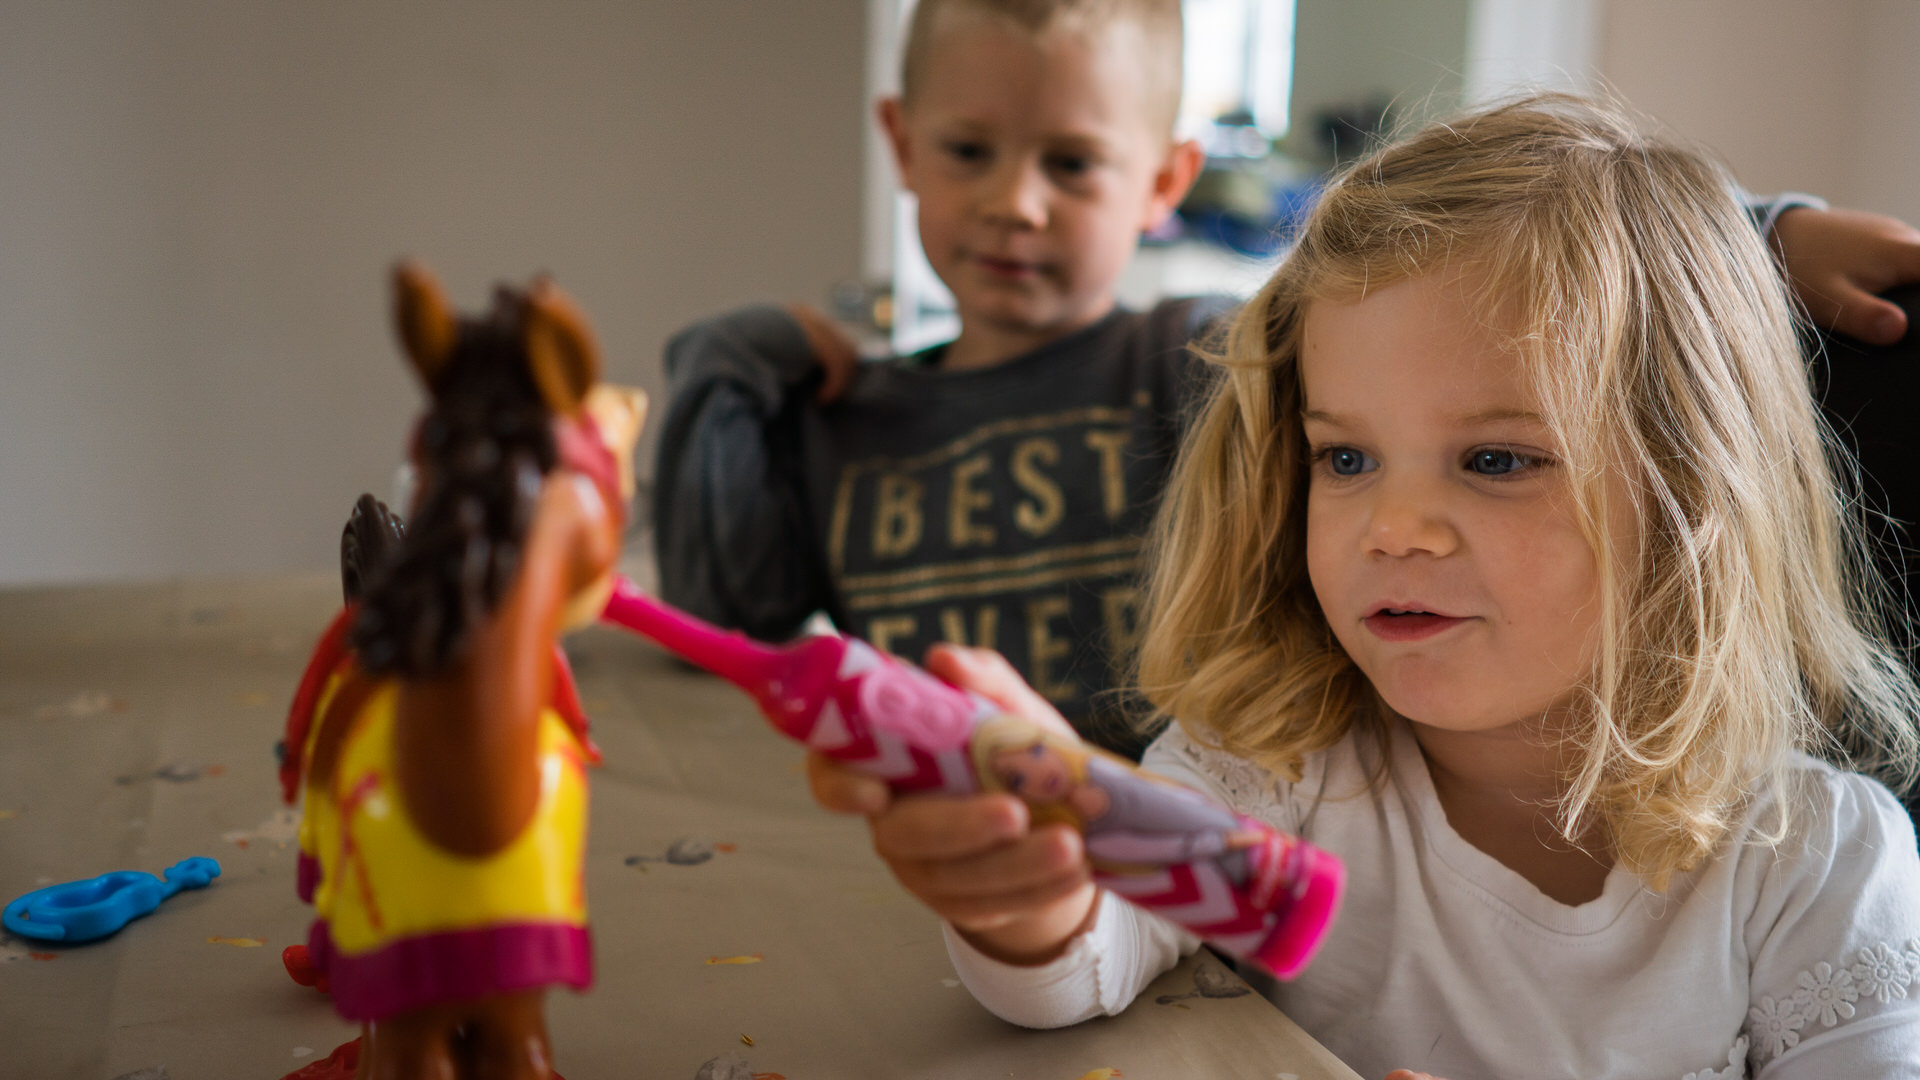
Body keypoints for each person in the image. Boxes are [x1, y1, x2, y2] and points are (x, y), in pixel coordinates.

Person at [808, 94, 1920, 1079]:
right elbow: (1080, 969)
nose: (1390, 527)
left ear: (1691, 500)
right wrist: (1030, 890)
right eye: (1345, 458)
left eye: (1496, 460)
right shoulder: (1275, 764)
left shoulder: (1817, 867)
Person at [651, 0, 1920, 761]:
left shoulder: (1198, 355)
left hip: (1178, 839)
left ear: (1162, 182)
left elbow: (1472, 275)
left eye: (1075, 163)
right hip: (934, 850)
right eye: (970, 150)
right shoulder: (841, 421)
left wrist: (1753, 236)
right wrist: (732, 361)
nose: (1015, 202)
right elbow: (728, 627)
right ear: (901, 148)